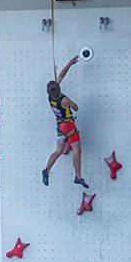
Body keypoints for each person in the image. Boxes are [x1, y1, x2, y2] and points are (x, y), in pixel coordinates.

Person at [42, 56, 88, 188]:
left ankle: (47, 170)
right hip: (69, 125)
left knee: (58, 151)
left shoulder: (50, 96)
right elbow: (76, 107)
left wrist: (70, 63)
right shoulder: (64, 100)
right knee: (77, 151)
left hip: (60, 125)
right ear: (59, 89)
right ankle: (78, 177)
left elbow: (61, 75)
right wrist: (68, 101)